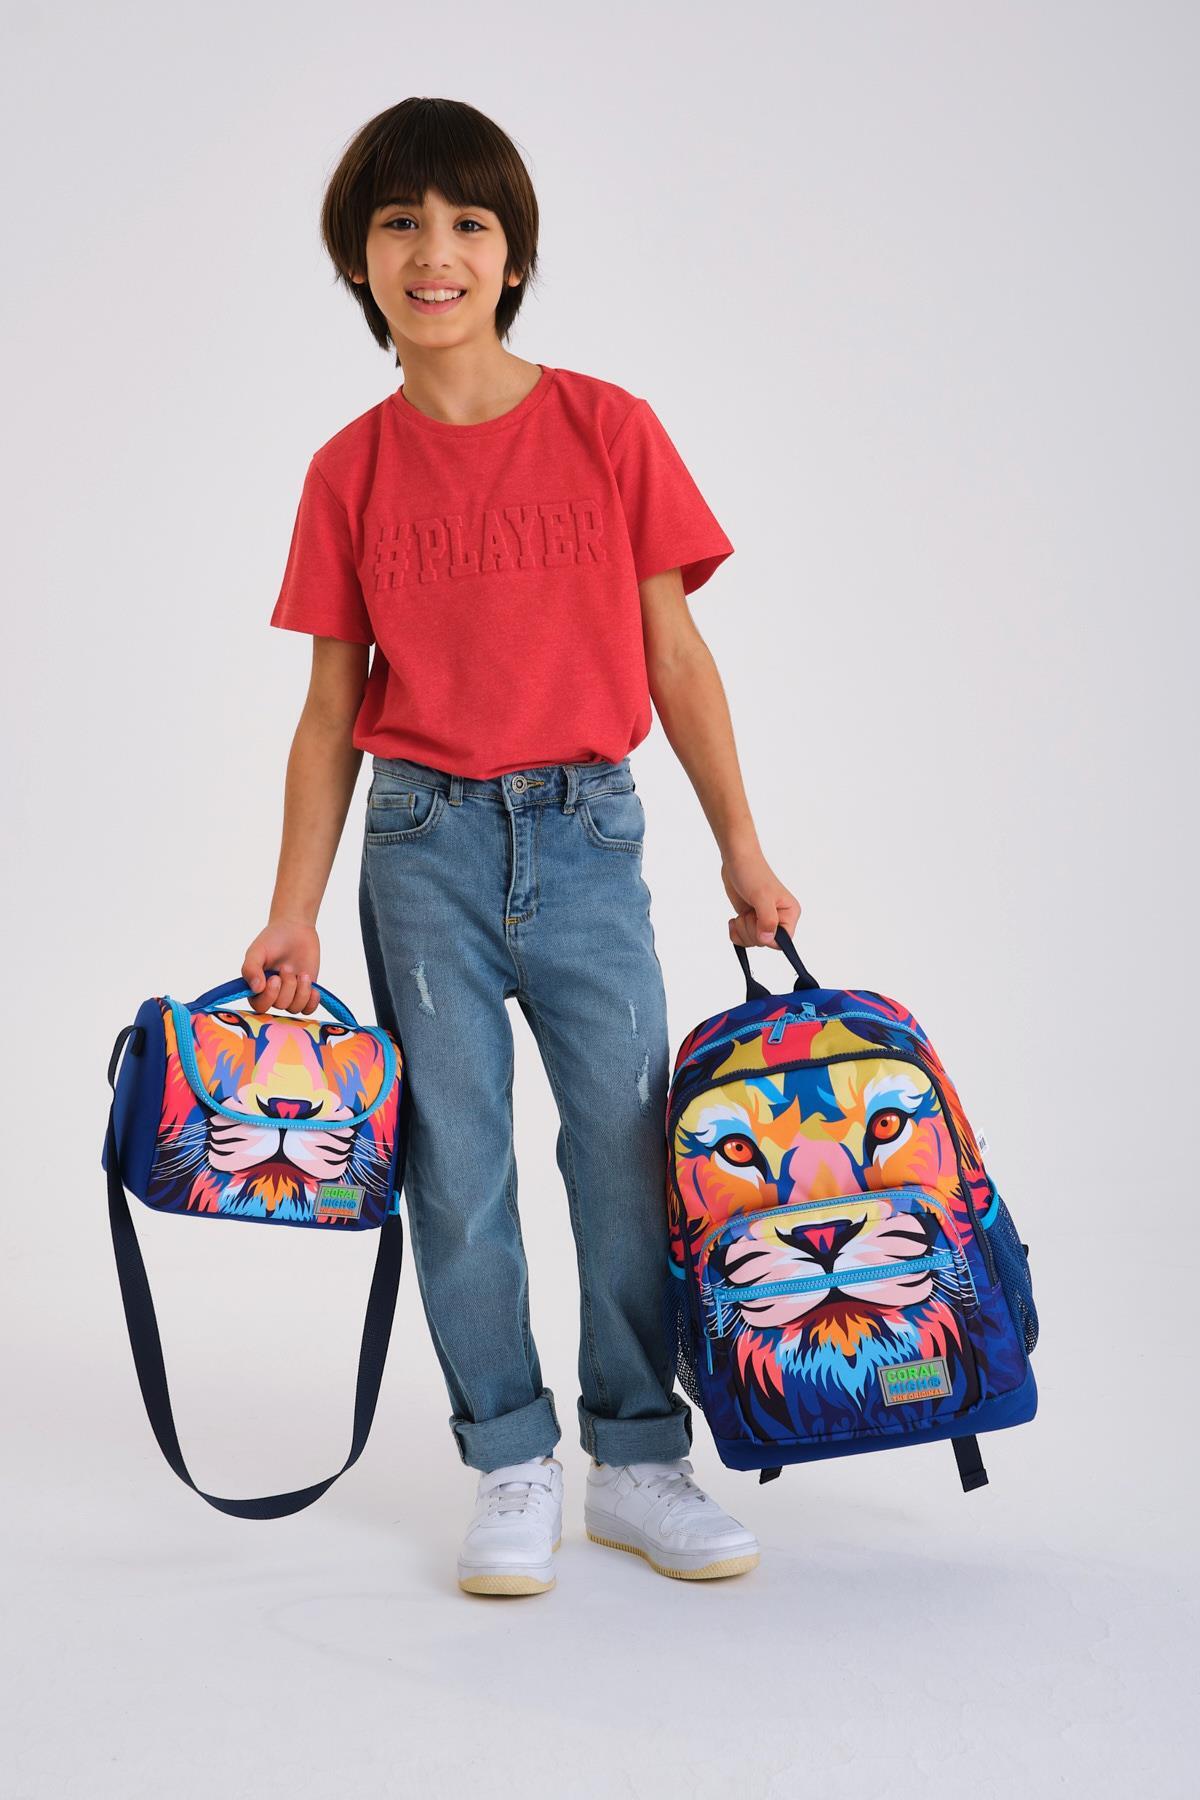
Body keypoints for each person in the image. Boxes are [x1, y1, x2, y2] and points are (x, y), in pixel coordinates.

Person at [242, 96, 801, 1598]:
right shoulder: (348, 471)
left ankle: (638, 1458)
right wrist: (292, 910)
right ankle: (507, 1455)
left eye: (467, 224)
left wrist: (743, 849)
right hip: (419, 844)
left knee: (625, 1147)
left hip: (587, 835)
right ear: (358, 261)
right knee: (456, 1162)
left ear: (513, 255)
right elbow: (329, 710)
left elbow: (674, 657)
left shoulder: (608, 430)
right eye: (400, 225)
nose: (434, 252)